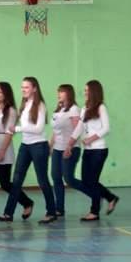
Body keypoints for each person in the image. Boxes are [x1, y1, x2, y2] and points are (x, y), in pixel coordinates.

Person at [0, 77, 57, 224]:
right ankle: (8, 213)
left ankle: (51, 212)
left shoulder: (40, 105)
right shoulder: (25, 104)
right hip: (25, 146)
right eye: (22, 87)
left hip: (39, 146)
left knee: (42, 180)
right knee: (17, 180)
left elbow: (38, 128)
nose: (23, 90)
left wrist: (17, 128)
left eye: (26, 87)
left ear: (34, 89)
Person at [66, 80, 120, 221]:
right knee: (87, 180)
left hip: (99, 150)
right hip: (88, 151)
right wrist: (70, 144)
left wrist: (90, 139)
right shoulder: (85, 108)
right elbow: (79, 127)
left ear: (94, 92)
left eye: (87, 90)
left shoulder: (101, 107)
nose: (84, 93)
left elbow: (106, 128)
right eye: (84, 90)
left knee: (92, 181)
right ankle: (111, 197)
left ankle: (94, 211)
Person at [0, 82, 34, 223]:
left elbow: (9, 133)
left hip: (3, 149)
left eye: (0, 92)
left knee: (4, 183)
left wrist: (2, 151)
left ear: (6, 94)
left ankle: (27, 202)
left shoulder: (10, 110)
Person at [50, 84, 81, 218]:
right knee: (56, 177)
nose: (59, 94)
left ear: (69, 93)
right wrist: (50, 145)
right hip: (57, 149)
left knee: (69, 179)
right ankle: (59, 208)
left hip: (70, 148)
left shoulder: (74, 109)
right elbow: (56, 130)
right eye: (58, 91)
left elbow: (77, 131)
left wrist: (69, 146)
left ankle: (95, 193)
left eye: (62, 91)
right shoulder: (59, 109)